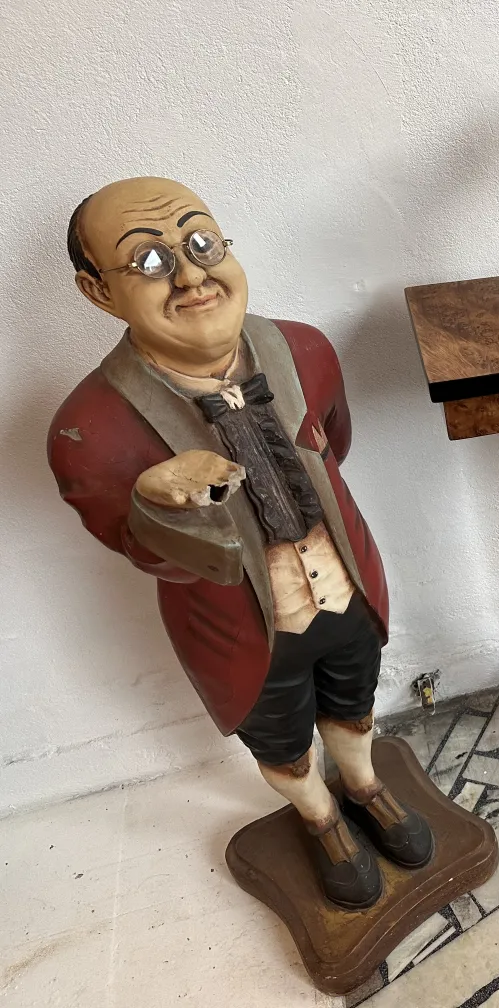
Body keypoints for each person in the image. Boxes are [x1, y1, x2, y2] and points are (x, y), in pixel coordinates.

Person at [48, 177, 429, 910]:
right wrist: (160, 499)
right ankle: (321, 822)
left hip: (342, 583)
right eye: (151, 263)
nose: (191, 276)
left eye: (201, 244)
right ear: (98, 292)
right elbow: (134, 546)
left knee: (354, 702)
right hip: (241, 629)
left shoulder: (307, 350)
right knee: (281, 740)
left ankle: (366, 785)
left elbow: (333, 446)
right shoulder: (87, 428)